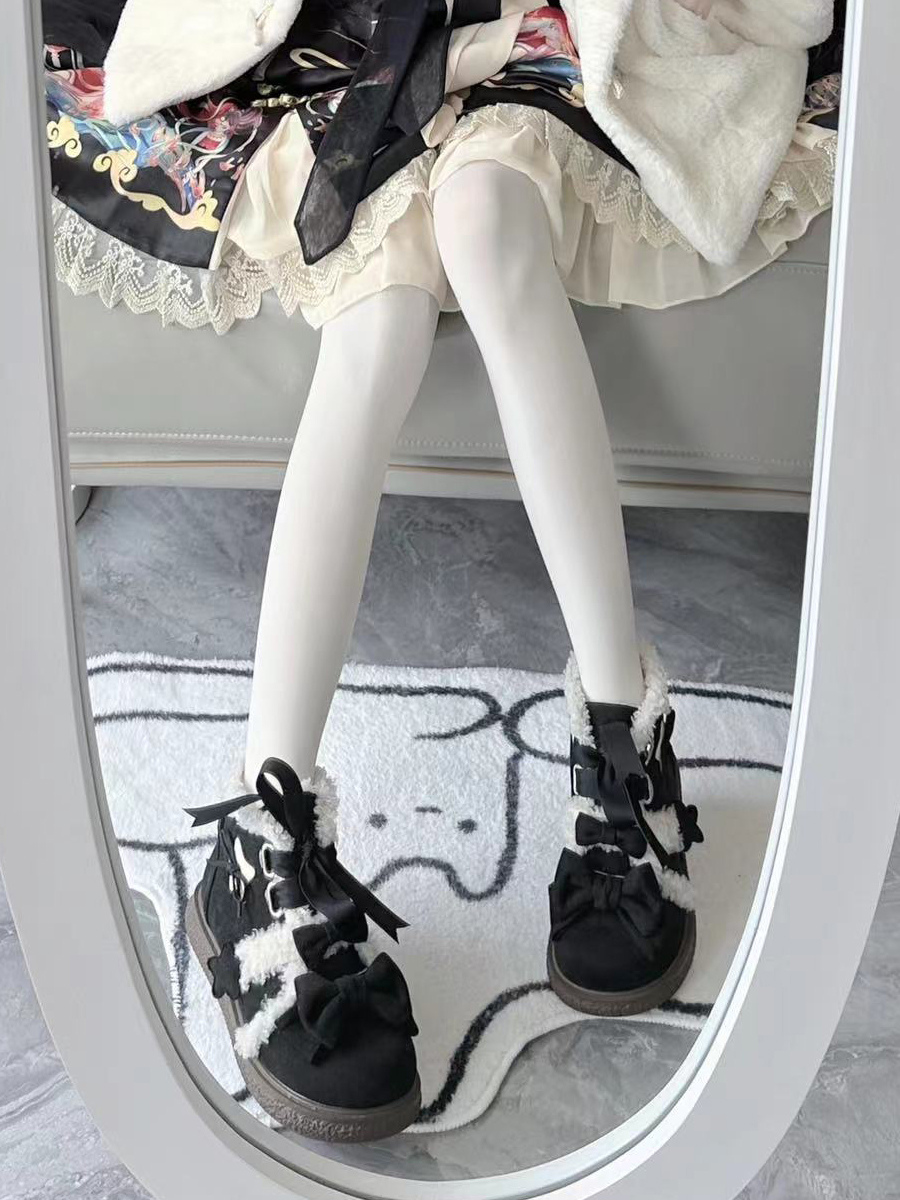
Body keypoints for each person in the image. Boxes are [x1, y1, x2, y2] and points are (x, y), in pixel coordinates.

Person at [46, 0, 840, 1141]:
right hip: (353, 44)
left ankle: (623, 742)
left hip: (538, 38)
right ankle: (264, 835)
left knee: (487, 225)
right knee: (376, 323)